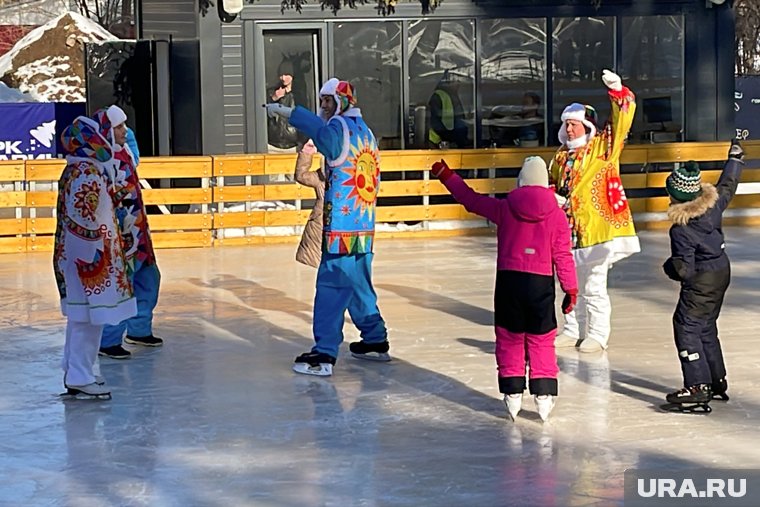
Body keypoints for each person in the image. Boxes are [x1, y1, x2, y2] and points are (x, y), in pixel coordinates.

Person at [430, 156, 577, 422]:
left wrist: (446, 175)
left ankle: (513, 393)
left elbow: (470, 199)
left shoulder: (506, 208)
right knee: (541, 337)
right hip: (540, 283)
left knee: (510, 337)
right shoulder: (557, 216)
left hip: (509, 282)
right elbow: (563, 255)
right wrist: (571, 289)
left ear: (521, 181)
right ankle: (543, 395)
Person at [265, 77, 390, 377]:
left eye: (328, 101)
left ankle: (324, 352)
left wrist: (287, 112)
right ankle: (374, 338)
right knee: (359, 284)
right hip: (363, 223)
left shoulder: (339, 129)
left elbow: (321, 133)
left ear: (342, 101)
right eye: (321, 101)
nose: (324, 107)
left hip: (342, 227)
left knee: (332, 285)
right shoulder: (366, 132)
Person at [549, 69, 640, 353]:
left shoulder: (604, 148)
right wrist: (553, 198)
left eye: (575, 124)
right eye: (568, 125)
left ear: (587, 126)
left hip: (597, 228)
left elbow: (623, 120)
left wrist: (617, 91)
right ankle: (572, 328)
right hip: (567, 230)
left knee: (594, 285)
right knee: (568, 283)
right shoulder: (560, 156)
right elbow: (552, 185)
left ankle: (598, 334)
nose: (571, 130)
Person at [54, 113, 137, 399]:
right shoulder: (86, 173)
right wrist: (96, 252)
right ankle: (80, 374)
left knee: (82, 317)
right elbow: (85, 217)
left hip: (82, 257)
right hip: (89, 259)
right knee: (88, 317)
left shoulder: (80, 169)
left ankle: (78, 370)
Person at [661, 142, 744, 411]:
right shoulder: (713, 205)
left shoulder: (681, 229)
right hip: (721, 271)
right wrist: (735, 159)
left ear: (677, 197)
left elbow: (683, 269)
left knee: (686, 327)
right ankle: (716, 379)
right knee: (706, 326)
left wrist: (669, 267)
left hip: (700, 282)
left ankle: (698, 386)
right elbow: (728, 185)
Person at [98, 105, 163, 359]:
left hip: (139, 232)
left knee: (148, 279)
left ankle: (139, 329)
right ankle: (108, 338)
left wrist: (125, 133)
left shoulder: (124, 152)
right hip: (118, 235)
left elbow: (134, 151)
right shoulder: (101, 160)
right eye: (119, 127)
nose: (125, 131)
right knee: (120, 286)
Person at [293, 139, 324, 268]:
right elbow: (301, 175)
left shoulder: (350, 176)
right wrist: (307, 153)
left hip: (344, 225)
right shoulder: (321, 177)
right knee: (323, 266)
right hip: (321, 224)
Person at [428, 70, 469, 149]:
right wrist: (448, 138)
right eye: (456, 81)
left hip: (450, 141)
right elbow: (435, 122)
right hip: (439, 143)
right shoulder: (439, 96)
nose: (458, 85)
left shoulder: (452, 95)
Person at [267, 59, 299, 153]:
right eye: (281, 75)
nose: (283, 78)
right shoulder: (272, 92)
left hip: (293, 145)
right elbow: (260, 113)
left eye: (286, 75)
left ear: (292, 75)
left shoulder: (299, 94)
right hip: (273, 144)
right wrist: (273, 98)